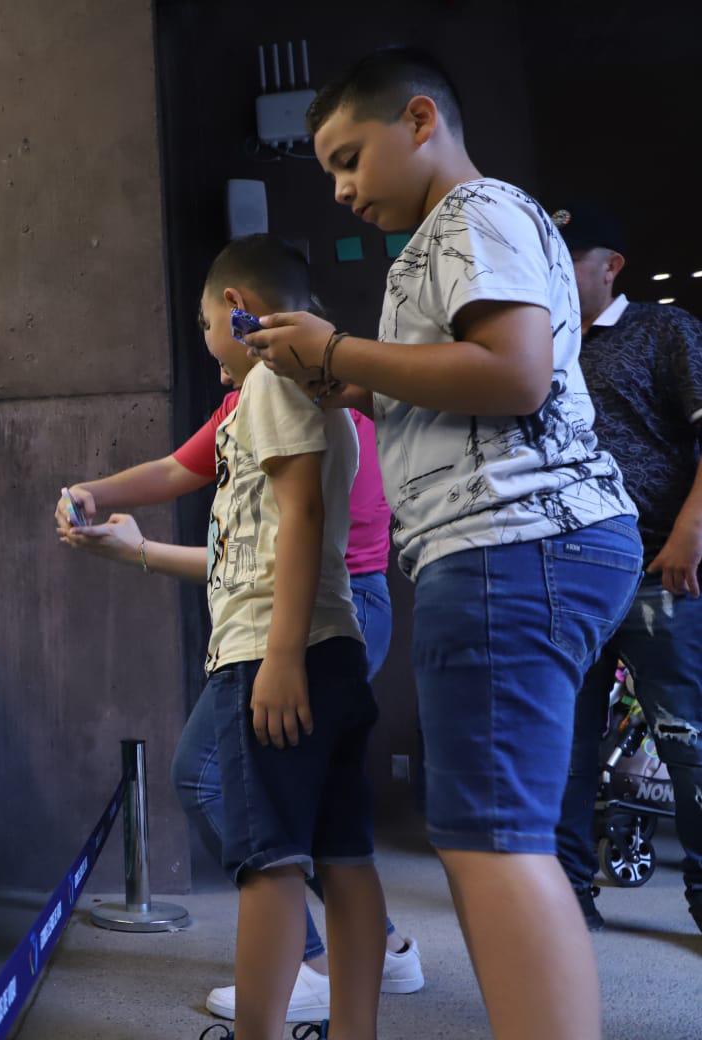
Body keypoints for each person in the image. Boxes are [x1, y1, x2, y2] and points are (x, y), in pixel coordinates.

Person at [246, 48, 641, 1040]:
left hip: (513, 542)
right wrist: (341, 379)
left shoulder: (473, 213)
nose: (338, 190)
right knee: (487, 833)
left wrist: (335, 351)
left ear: (420, 120)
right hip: (518, 546)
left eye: (347, 158)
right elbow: (462, 382)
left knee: (495, 839)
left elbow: (513, 373)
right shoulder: (457, 233)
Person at [72, 234, 388, 1040]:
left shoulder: (272, 385)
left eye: (206, 322)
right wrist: (96, 496)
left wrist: (280, 655)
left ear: (236, 307)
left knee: (268, 861)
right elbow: (188, 473)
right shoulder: (291, 391)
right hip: (330, 645)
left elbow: (304, 517)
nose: (207, 342)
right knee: (343, 854)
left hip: (271, 651)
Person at [549, 201, 702, 934]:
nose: (552, 270)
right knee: (563, 747)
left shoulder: (665, 330)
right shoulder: (539, 343)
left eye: (568, 258)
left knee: (686, 738)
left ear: (610, 267)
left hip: (657, 570)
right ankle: (570, 896)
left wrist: (689, 532)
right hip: (568, 573)